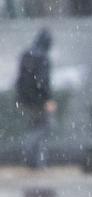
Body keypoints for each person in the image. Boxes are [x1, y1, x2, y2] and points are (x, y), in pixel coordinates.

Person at [14, 29, 56, 168]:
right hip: (39, 100)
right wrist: (47, 99)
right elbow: (42, 81)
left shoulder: (26, 55)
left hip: (26, 99)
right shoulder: (43, 57)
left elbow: (20, 79)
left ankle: (32, 159)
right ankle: (36, 159)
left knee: (33, 127)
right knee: (43, 128)